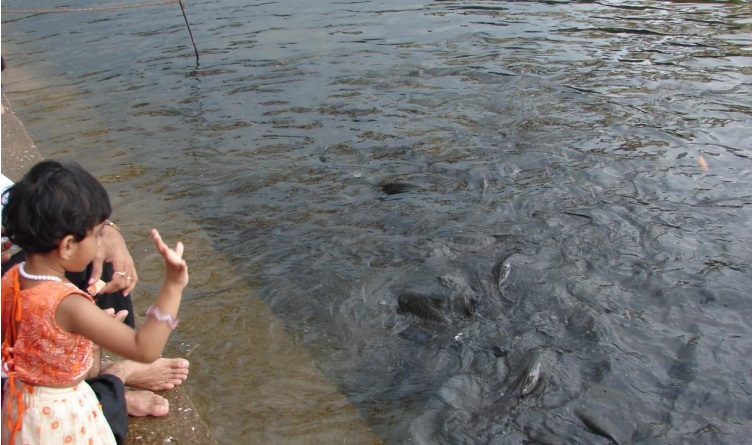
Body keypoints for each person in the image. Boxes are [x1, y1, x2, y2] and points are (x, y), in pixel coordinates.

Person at [1, 160, 189, 444]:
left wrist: (78, 342)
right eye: (98, 234)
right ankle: (115, 380)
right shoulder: (69, 304)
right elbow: (145, 347)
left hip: (20, 408)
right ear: (66, 246)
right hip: (60, 418)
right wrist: (173, 286)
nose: (102, 243)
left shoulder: (12, 279)